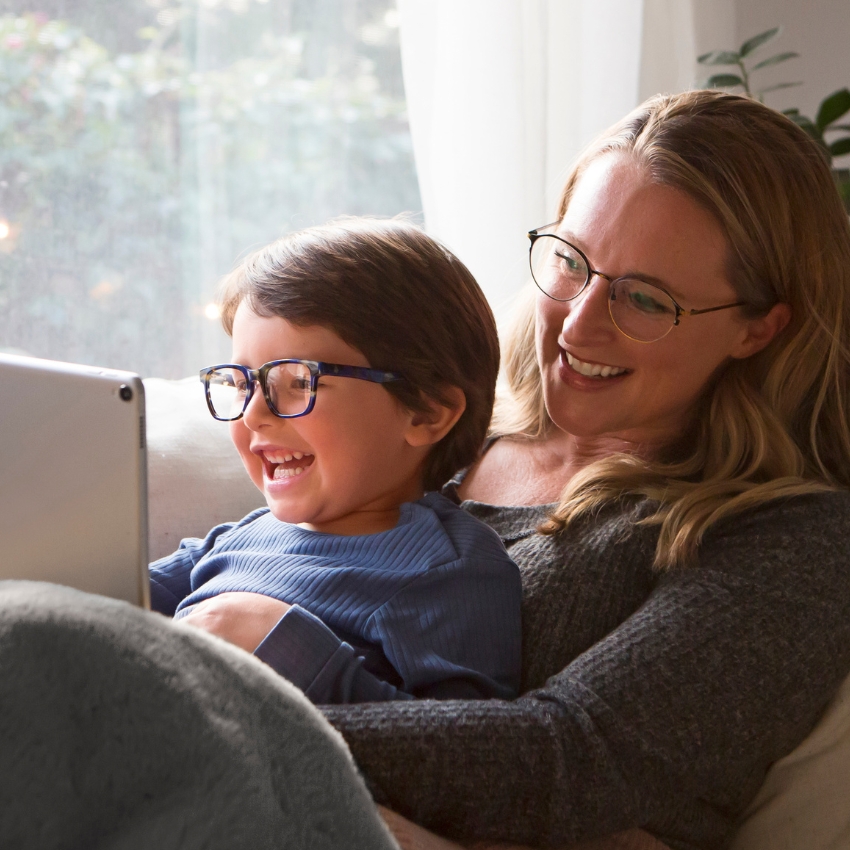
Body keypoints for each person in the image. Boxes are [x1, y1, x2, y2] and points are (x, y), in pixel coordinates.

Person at [0, 89, 849, 850]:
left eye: (645, 299)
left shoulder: (786, 536)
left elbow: (567, 761)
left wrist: (201, 702)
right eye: (569, 263)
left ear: (759, 328)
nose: (578, 327)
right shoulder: (432, 445)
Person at [149, 218, 522, 703]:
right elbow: (108, 596)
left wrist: (286, 644)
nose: (255, 413)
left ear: (427, 412)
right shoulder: (241, 536)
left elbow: (465, 751)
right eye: (242, 384)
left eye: (299, 381)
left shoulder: (451, 570)